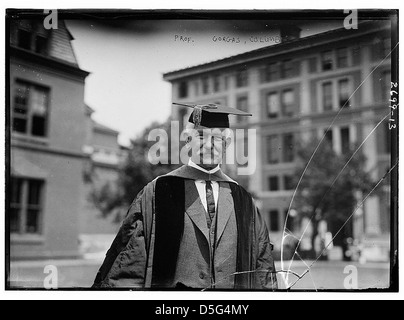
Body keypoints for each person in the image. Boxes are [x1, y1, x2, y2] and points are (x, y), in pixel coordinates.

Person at [92, 104, 278, 290]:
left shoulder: (243, 200)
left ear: (227, 144)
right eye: (201, 136)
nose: (208, 144)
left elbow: (263, 272)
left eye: (217, 138)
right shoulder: (158, 192)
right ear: (188, 141)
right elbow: (129, 269)